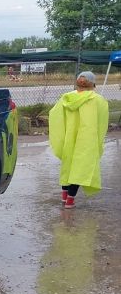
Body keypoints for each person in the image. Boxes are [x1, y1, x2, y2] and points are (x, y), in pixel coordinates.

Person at [48, 70, 109, 209]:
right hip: (86, 140)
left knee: (68, 166)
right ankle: (70, 201)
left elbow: (54, 115)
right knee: (80, 168)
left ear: (77, 82)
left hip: (69, 138)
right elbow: (102, 122)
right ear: (93, 83)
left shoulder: (66, 98)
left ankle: (64, 198)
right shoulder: (98, 100)